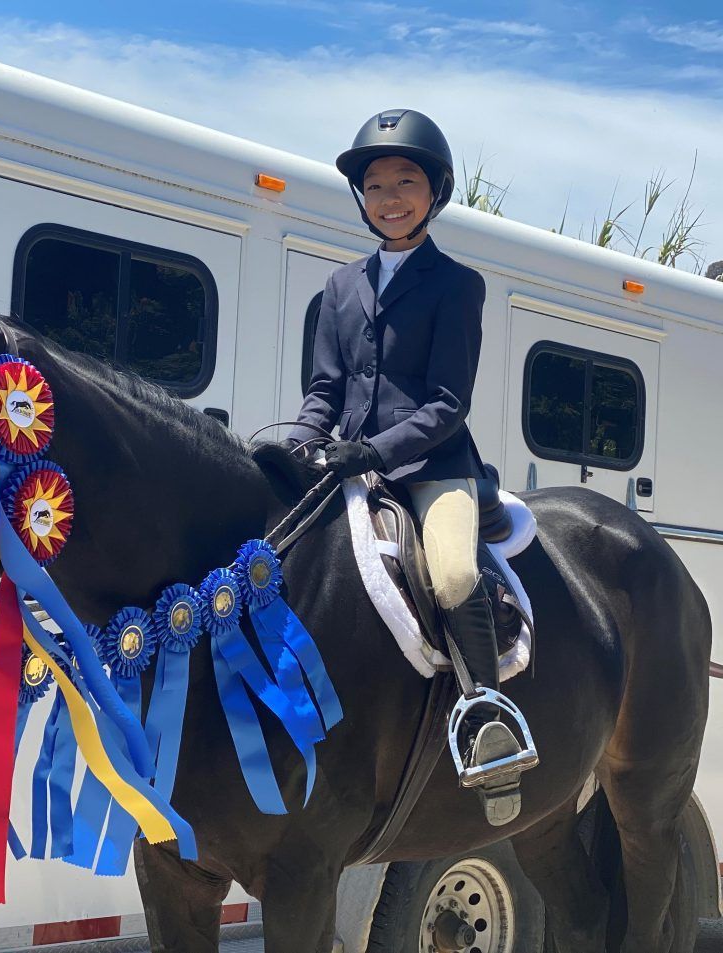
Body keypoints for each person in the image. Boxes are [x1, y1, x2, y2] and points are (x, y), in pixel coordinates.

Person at [287, 109, 537, 825]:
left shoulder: (457, 284)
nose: (390, 196)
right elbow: (324, 391)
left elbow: (447, 403)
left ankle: (491, 728)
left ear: (436, 192)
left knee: (455, 573)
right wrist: (302, 443)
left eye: (405, 181)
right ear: (360, 198)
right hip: (350, 466)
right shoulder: (339, 287)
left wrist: (376, 449)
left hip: (432, 469)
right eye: (375, 184)